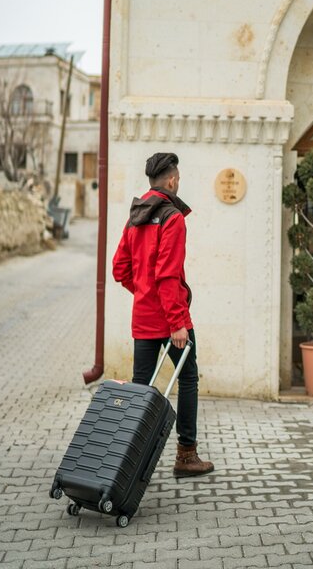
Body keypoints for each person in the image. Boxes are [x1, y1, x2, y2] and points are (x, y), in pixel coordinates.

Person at [111, 152, 215, 478]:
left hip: (143, 318)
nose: (178, 183)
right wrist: (176, 323)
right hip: (172, 321)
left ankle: (129, 462)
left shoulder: (136, 215)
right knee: (187, 381)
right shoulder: (173, 219)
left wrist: (143, 292)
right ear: (171, 180)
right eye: (178, 179)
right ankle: (186, 456)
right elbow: (168, 276)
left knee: (141, 387)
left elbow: (119, 269)